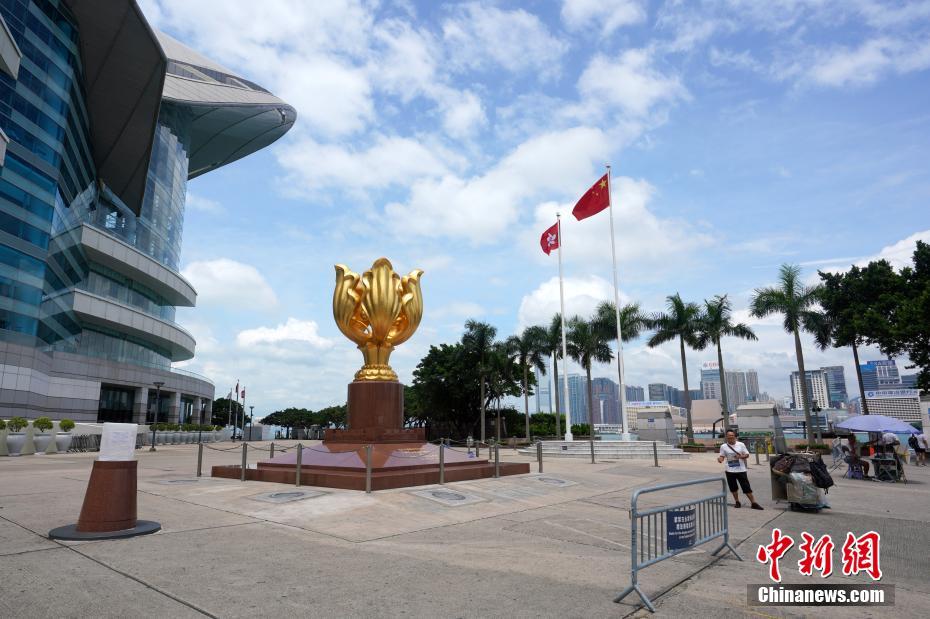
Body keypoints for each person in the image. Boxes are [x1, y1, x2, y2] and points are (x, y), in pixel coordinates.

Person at [717, 430, 763, 510]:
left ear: (735, 436)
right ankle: (737, 501)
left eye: (732, 435)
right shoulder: (723, 446)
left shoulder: (741, 444)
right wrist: (720, 459)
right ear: (726, 437)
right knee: (733, 487)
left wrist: (741, 457)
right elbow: (722, 456)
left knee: (746, 487)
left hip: (741, 470)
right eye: (729, 435)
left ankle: (753, 503)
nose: (730, 437)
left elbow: (747, 455)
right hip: (730, 470)